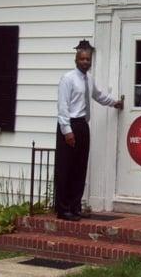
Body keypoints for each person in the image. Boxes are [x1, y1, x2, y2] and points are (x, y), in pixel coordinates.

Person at [55, 39, 123, 221]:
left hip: (83, 125)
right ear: (76, 60)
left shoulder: (89, 79)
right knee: (66, 168)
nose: (85, 62)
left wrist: (115, 102)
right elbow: (63, 107)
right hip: (69, 125)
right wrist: (67, 131)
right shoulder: (68, 79)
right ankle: (63, 209)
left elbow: (98, 96)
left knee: (80, 167)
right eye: (82, 59)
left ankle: (75, 206)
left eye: (88, 59)